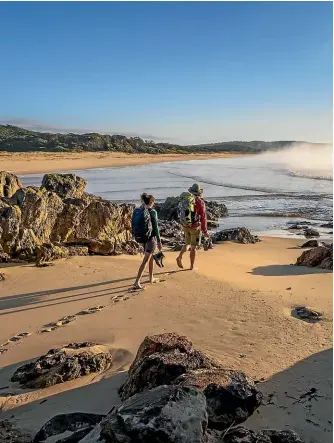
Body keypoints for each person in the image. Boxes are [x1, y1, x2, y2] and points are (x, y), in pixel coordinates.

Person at [132, 193, 162, 290]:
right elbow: (156, 228)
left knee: (151, 257)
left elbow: (133, 224)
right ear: (152, 202)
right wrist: (159, 241)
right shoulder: (153, 212)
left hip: (142, 238)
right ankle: (137, 282)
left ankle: (151, 277)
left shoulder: (138, 210)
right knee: (146, 260)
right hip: (151, 239)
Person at [176, 183, 209, 270]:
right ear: (199, 193)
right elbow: (203, 217)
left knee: (187, 243)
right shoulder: (200, 202)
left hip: (186, 225)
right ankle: (191, 266)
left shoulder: (186, 199)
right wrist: (205, 231)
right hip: (195, 227)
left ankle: (179, 256)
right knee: (193, 246)